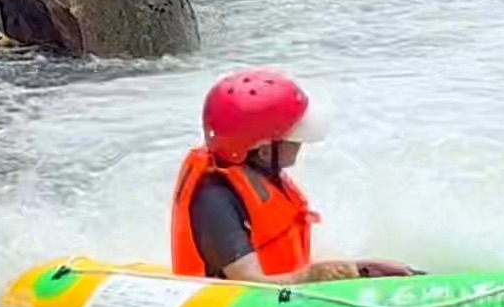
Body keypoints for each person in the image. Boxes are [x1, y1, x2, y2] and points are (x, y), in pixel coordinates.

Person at [169, 69, 408, 283]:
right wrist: (311, 276)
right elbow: (249, 284)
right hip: (246, 303)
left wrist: (362, 269)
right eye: (293, 137)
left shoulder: (263, 175)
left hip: (284, 292)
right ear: (264, 150)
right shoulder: (214, 199)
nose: (300, 144)